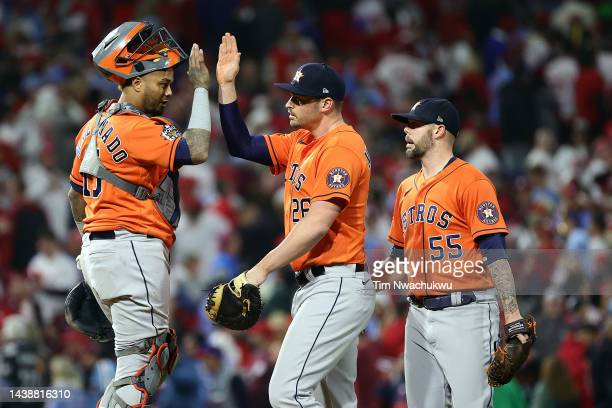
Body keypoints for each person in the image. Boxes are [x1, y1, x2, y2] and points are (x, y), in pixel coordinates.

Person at [216, 33, 375, 407]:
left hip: (336, 283)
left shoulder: (343, 147)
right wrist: (226, 84)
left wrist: (259, 270)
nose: (288, 103)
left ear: (326, 104)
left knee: (288, 392)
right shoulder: (302, 141)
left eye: (298, 98)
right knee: (336, 402)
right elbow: (240, 144)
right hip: (318, 287)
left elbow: (319, 223)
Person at [67, 21, 212, 407]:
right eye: (161, 82)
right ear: (134, 80)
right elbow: (197, 148)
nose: (168, 91)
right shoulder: (136, 127)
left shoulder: (92, 126)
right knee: (144, 368)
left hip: (103, 253)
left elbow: (76, 197)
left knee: (137, 366)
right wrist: (200, 87)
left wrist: (93, 248)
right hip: (132, 250)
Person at [386, 98, 532, 407]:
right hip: (418, 315)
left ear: (438, 131)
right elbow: (397, 255)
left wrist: (513, 315)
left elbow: (495, 252)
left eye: (414, 125)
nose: (406, 131)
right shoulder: (405, 189)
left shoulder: (472, 181)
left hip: (466, 312)